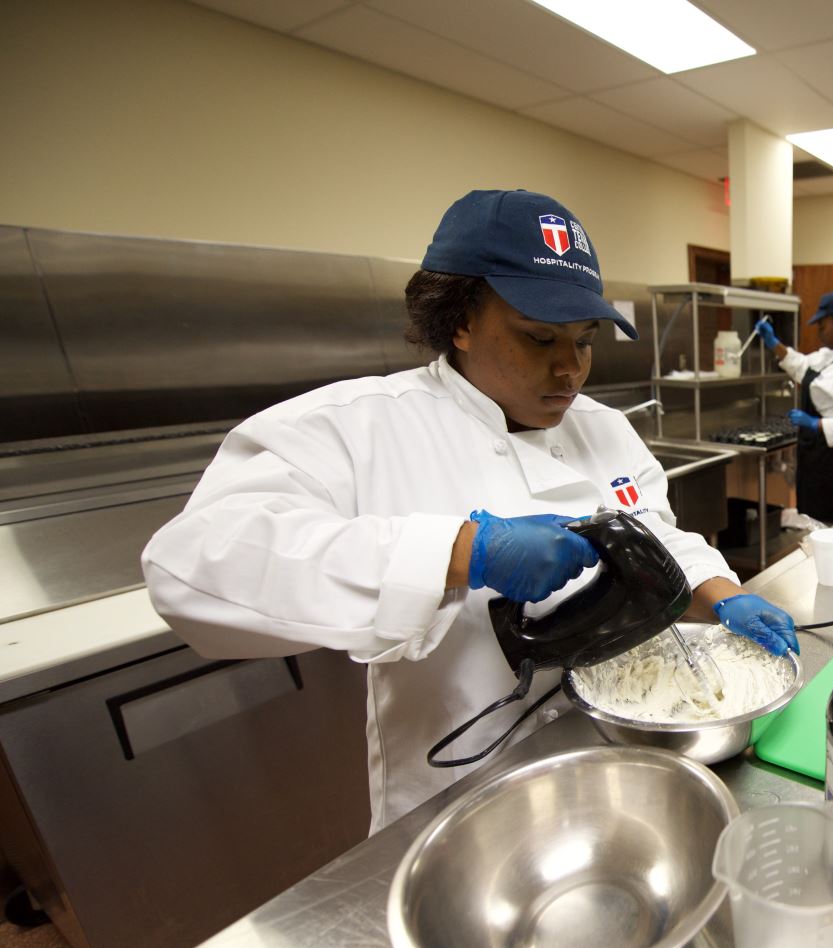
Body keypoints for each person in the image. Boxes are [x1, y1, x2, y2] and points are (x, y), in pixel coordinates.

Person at [141, 190, 798, 834]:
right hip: (458, 791)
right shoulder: (358, 426)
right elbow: (191, 565)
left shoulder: (604, 429)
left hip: (615, 753)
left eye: (585, 339)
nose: (571, 370)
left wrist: (720, 593)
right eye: (539, 338)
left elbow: (653, 534)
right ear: (458, 321)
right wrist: (461, 552)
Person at [754, 292, 833, 524]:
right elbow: (801, 366)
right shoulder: (826, 356)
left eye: (822, 324)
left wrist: (814, 423)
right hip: (816, 452)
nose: (818, 329)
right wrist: (773, 343)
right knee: (811, 518)